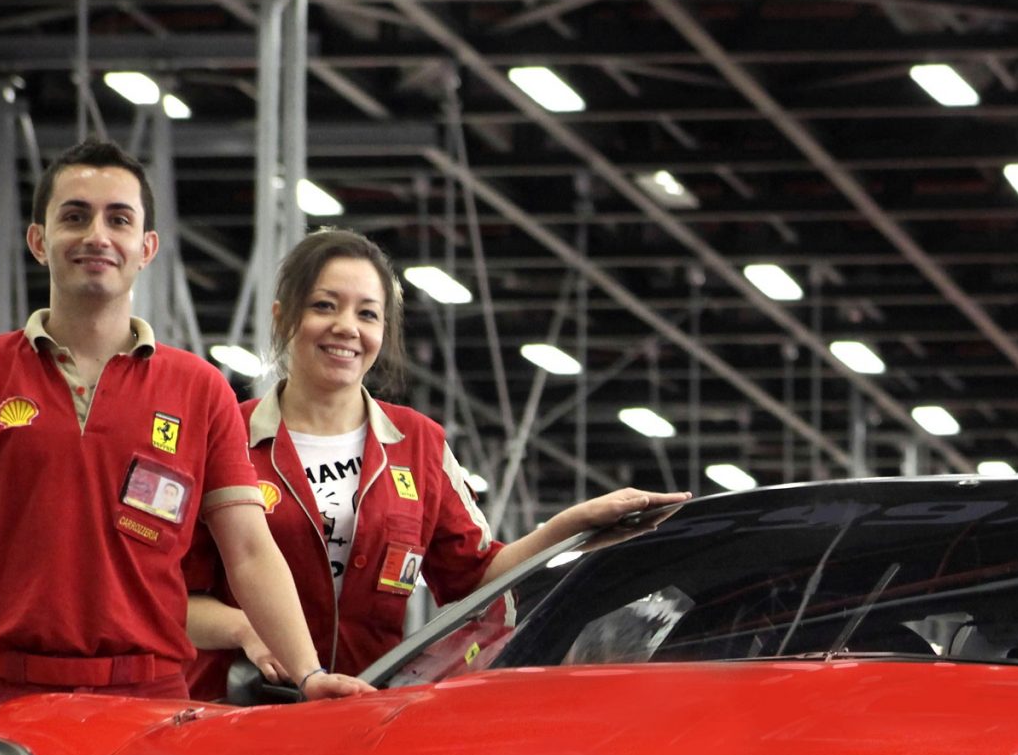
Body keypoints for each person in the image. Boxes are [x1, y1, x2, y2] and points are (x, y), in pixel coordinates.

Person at [0, 139, 367, 723]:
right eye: (75, 216)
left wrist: (309, 673)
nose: (97, 234)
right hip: (3, 698)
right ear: (39, 241)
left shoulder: (200, 390)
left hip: (150, 705)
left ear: (145, 248)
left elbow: (250, 550)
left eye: (118, 219)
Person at [184, 227, 688, 696]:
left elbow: (476, 581)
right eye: (324, 306)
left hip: (366, 717)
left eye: (367, 314)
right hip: (238, 714)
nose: (346, 328)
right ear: (282, 317)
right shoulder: (225, 435)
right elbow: (166, 597)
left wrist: (568, 526)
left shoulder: (418, 444)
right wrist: (246, 627)